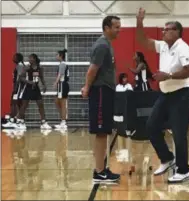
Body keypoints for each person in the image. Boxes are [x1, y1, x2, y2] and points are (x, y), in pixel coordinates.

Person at [136, 8, 189, 183]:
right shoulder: (163, 46)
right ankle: (167, 158)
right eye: (163, 29)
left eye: (167, 29)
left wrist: (168, 76)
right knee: (151, 126)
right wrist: (140, 21)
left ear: (176, 32)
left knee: (178, 133)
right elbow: (142, 40)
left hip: (181, 95)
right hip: (165, 94)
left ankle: (184, 170)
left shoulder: (183, 48)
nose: (163, 32)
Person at [81, 15, 121, 184]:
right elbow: (92, 70)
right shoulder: (102, 45)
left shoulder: (107, 45)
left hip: (107, 92)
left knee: (104, 131)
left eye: (119, 27)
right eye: (116, 27)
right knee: (100, 131)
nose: (119, 30)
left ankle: (102, 169)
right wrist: (87, 88)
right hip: (100, 92)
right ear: (106, 28)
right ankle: (99, 172)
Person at [15, 53, 51, 130]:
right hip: (27, 87)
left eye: (30, 58)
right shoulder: (27, 67)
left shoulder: (39, 68)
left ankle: (43, 122)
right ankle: (20, 122)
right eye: (28, 58)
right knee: (24, 105)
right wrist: (29, 82)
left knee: (40, 104)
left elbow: (41, 77)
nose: (29, 59)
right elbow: (21, 78)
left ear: (34, 59)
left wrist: (44, 85)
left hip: (36, 88)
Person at [2, 53, 25, 128]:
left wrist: (16, 87)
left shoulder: (20, 65)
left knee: (14, 103)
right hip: (18, 86)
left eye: (14, 57)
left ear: (18, 58)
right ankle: (19, 120)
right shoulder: (19, 65)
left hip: (18, 87)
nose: (13, 58)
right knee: (17, 103)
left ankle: (13, 120)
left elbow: (19, 77)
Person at [53, 49, 70, 129]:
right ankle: (63, 120)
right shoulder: (61, 64)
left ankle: (63, 122)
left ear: (61, 56)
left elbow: (60, 74)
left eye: (57, 55)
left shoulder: (62, 64)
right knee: (57, 101)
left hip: (62, 85)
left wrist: (56, 82)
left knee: (63, 103)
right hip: (61, 85)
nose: (56, 56)